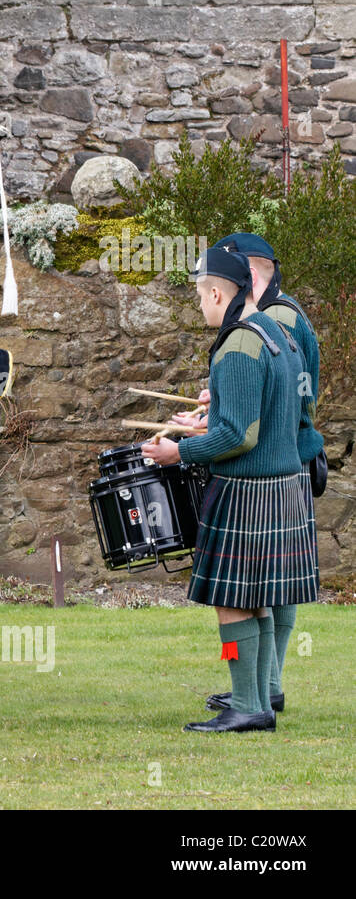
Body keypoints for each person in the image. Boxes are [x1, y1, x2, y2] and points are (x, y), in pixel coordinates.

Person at [143, 246, 316, 733]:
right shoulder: (279, 332)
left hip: (247, 492)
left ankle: (246, 702)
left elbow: (239, 435)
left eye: (201, 296)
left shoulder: (239, 343)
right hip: (280, 488)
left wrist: (178, 451)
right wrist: (211, 412)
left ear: (218, 292)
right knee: (258, 600)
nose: (201, 305)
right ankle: (257, 701)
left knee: (233, 605)